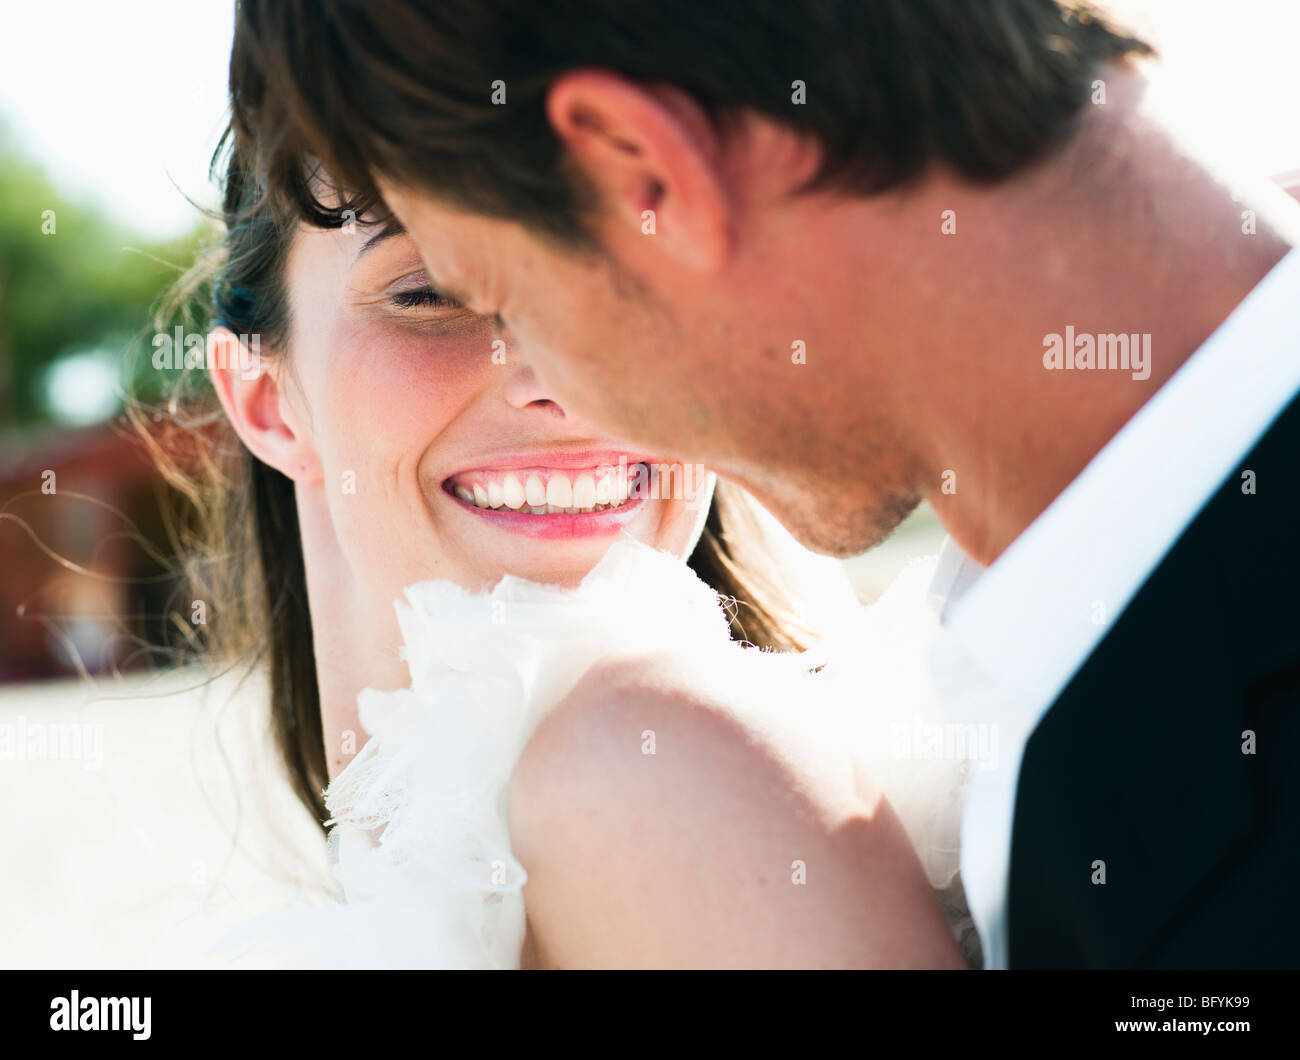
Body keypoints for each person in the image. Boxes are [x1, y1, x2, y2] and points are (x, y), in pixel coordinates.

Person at [227, 0, 1300, 967]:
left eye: (494, 281)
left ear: (642, 170)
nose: (552, 390)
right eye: (439, 297)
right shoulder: (1029, 679)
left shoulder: (665, 778)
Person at [148, 129, 976, 968]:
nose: (566, 380)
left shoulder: (658, 770)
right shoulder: (470, 849)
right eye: (434, 290)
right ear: (266, 403)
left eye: (629, 284)